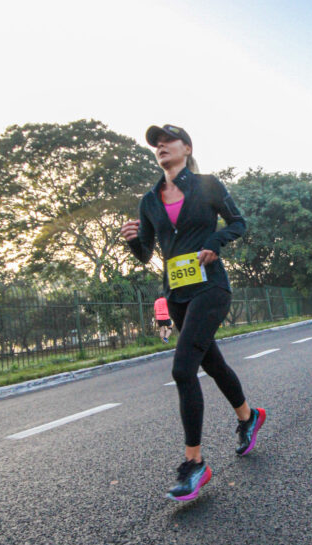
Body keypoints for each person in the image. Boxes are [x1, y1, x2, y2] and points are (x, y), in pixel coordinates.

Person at [120, 124, 266, 501]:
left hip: (211, 287)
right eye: (156, 143)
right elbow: (148, 254)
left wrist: (214, 242)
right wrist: (135, 240)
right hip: (178, 293)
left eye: (168, 140)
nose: (161, 147)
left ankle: (194, 464)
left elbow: (238, 223)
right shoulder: (150, 200)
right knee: (213, 364)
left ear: (186, 147)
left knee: (183, 369)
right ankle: (249, 417)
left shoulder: (208, 185)